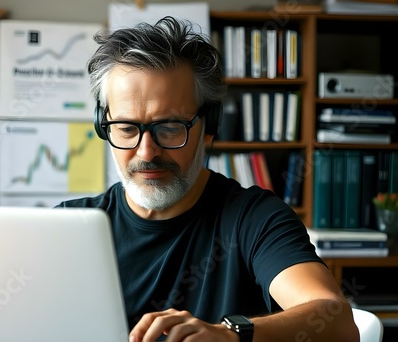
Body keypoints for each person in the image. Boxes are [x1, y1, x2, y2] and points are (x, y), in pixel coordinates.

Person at [56, 16, 359, 342]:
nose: (146, 152)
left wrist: (229, 335)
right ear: (105, 126)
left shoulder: (255, 218)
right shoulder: (68, 226)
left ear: (209, 126)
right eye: (128, 129)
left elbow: (336, 320)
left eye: (169, 128)